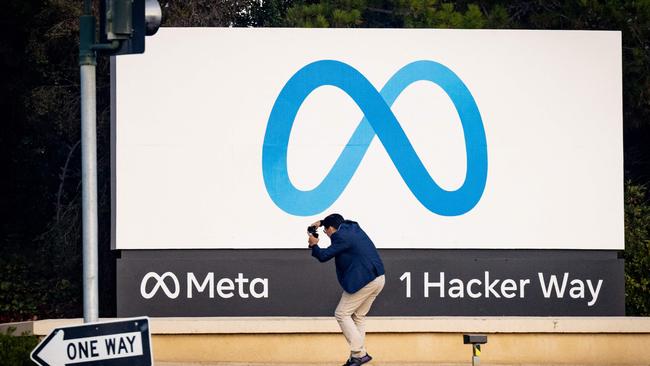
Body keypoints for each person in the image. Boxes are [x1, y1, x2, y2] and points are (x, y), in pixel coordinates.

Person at [308, 213, 385, 366]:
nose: (327, 234)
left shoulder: (341, 237)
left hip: (365, 280)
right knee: (358, 316)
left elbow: (323, 256)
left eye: (326, 231)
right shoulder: (352, 227)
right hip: (378, 278)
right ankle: (356, 358)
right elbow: (337, 222)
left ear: (331, 229)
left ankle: (359, 354)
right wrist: (322, 222)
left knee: (341, 313)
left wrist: (314, 245)